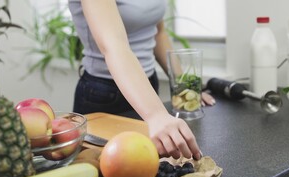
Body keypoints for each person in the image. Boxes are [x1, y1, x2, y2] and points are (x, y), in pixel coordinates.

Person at [68, 0, 215, 160]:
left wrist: (185, 88)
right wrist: (157, 115)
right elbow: (114, 46)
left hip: (147, 86)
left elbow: (158, 33)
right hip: (103, 94)